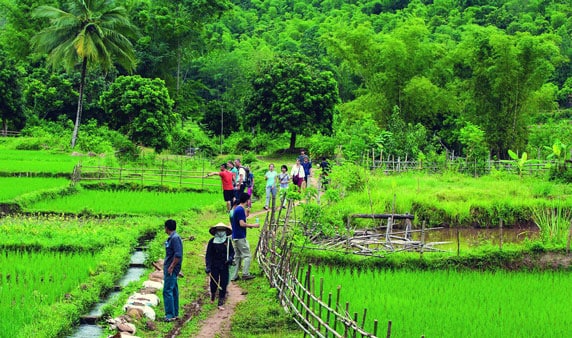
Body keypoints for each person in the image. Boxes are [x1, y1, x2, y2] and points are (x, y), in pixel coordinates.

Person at [230, 193, 260, 281]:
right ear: (247, 200)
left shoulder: (239, 209)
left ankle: (234, 275)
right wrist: (254, 225)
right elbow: (242, 223)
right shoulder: (239, 210)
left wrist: (247, 213)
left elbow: (242, 219)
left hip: (235, 235)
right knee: (247, 255)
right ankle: (245, 274)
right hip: (240, 236)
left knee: (237, 256)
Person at [205, 223, 234, 310]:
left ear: (225, 231)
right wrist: (208, 266)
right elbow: (208, 255)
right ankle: (213, 294)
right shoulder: (212, 242)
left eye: (222, 230)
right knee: (214, 282)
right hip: (214, 265)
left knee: (224, 283)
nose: (221, 232)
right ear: (216, 231)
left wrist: (230, 258)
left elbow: (232, 252)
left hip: (224, 265)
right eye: (219, 230)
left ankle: (221, 302)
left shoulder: (228, 241)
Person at [163, 219, 183, 322]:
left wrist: (171, 266)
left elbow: (178, 255)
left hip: (171, 269)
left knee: (167, 290)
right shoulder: (172, 238)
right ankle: (175, 313)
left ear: (166, 227)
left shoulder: (175, 238)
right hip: (171, 267)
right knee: (173, 289)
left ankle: (169, 315)